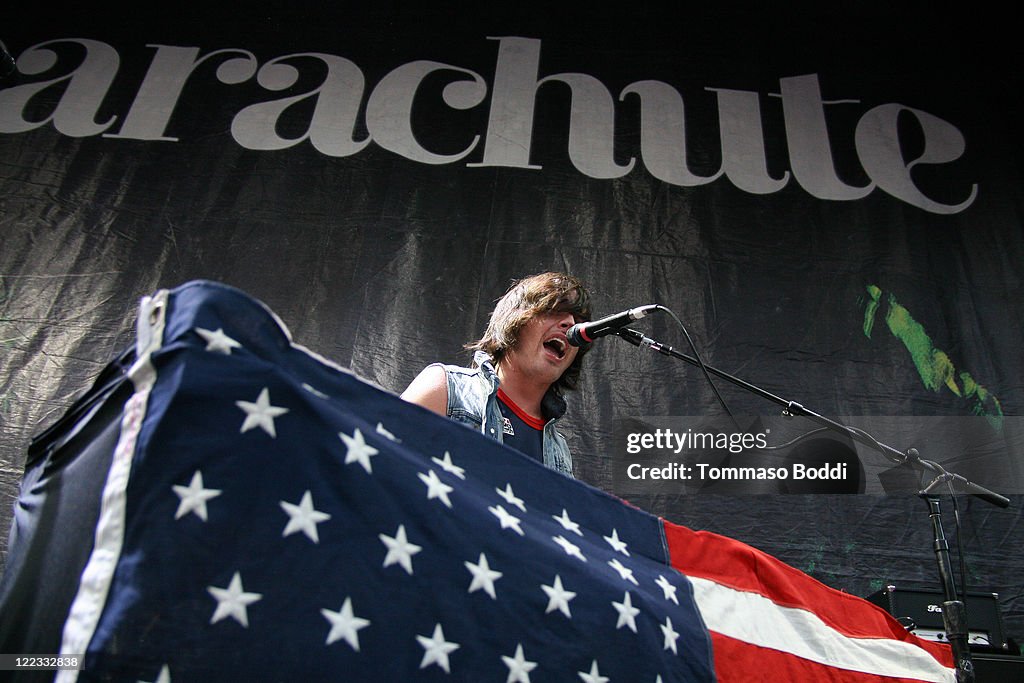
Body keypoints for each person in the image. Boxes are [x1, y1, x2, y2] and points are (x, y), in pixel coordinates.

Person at [401, 272, 591, 477]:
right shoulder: (445, 388)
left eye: (579, 320)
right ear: (515, 319)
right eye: (554, 310)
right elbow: (385, 472)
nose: (571, 324)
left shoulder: (559, 451)